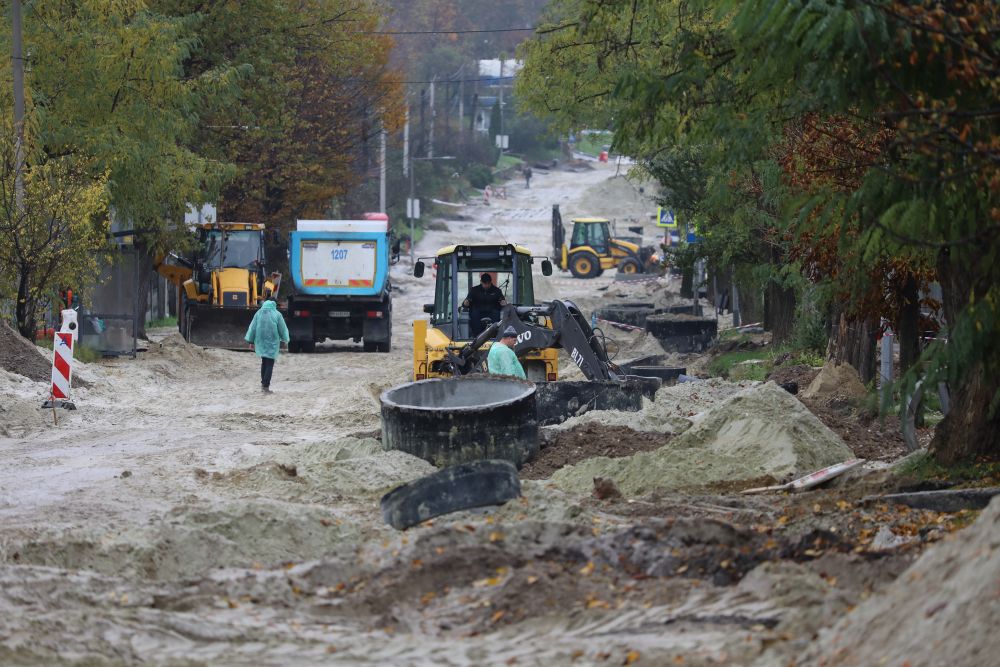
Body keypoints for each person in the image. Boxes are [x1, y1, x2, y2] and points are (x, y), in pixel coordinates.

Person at [244, 298, 290, 393]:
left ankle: (263, 384)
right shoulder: (277, 314)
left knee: (264, 362)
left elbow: (252, 328)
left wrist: (250, 341)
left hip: (261, 341)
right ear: (274, 304)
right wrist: (286, 339)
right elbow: (282, 328)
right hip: (272, 342)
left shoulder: (258, 313)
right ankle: (266, 386)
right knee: (270, 363)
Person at [463, 272, 506, 338]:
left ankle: (494, 335)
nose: (486, 285)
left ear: (490, 282)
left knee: (496, 313)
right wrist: (465, 303)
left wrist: (503, 303)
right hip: (478, 311)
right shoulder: (474, 290)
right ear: (481, 282)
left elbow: (502, 301)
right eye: (485, 283)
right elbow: (466, 302)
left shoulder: (497, 291)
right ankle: (477, 336)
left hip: (492, 311)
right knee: (474, 314)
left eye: (488, 283)